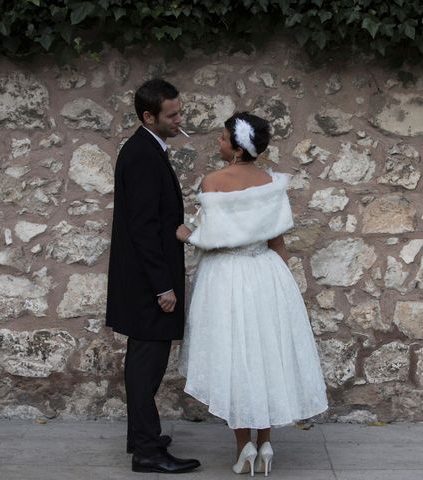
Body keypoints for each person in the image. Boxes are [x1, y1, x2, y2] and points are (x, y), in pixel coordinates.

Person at [176, 112, 328, 476]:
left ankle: (243, 446)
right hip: (266, 272)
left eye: (223, 138)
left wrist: (185, 234)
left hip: (227, 276)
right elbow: (278, 242)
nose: (219, 142)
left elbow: (211, 238)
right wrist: (287, 287)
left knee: (235, 357)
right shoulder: (269, 183)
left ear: (237, 146)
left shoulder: (213, 181)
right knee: (266, 354)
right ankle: (265, 443)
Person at [106, 78, 200, 474]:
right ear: (149, 117)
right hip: (149, 283)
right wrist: (163, 285)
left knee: (143, 362)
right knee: (147, 365)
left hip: (143, 277)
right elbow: (144, 227)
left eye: (180, 112)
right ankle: (146, 450)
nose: (180, 120)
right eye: (172, 115)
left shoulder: (146, 148)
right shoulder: (143, 154)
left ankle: (139, 437)